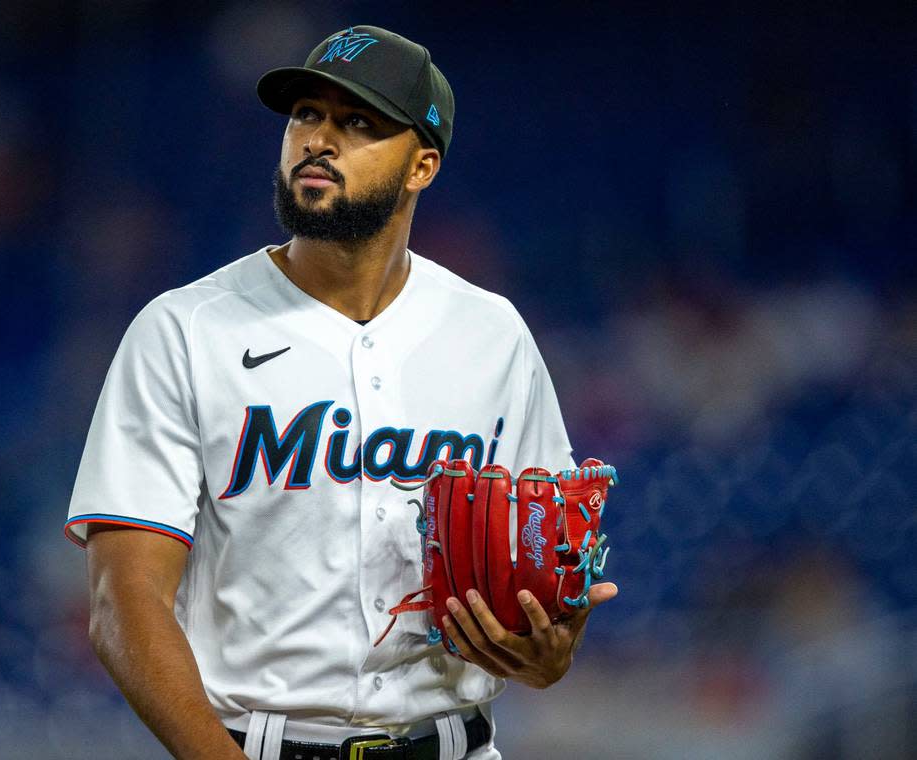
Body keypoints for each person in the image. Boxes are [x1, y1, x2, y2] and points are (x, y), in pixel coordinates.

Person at [66, 25, 617, 760]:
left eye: (358, 123)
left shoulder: (493, 335)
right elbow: (121, 605)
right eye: (306, 115)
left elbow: (538, 567)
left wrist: (548, 645)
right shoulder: (184, 331)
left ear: (422, 165)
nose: (318, 139)